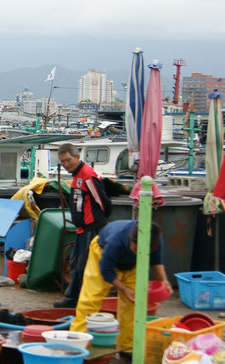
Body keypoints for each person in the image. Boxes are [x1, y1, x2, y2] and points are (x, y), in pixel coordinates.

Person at [69, 220, 172, 349]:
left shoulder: (154, 239)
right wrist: (124, 289)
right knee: (90, 300)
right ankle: (77, 342)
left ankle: (127, 346)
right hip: (101, 254)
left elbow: (156, 260)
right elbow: (106, 271)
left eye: (145, 251)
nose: (138, 252)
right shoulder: (115, 240)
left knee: (133, 304)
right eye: (136, 249)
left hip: (131, 265)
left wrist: (164, 281)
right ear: (130, 239)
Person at [54, 142, 112, 308]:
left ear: (77, 157)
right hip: (81, 228)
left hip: (91, 227)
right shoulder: (76, 176)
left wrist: (97, 223)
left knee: (83, 264)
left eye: (68, 160)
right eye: (62, 162)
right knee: (75, 263)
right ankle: (73, 298)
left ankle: (78, 299)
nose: (65, 165)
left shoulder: (87, 175)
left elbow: (103, 202)